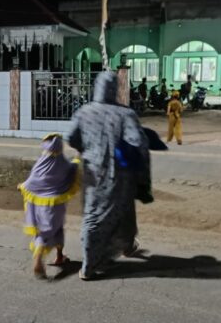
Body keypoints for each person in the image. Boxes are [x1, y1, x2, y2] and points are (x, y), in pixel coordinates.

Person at [67, 72, 151, 281]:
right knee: (114, 211)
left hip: (93, 174)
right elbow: (139, 143)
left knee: (99, 213)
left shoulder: (84, 112)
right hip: (120, 175)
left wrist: (87, 149)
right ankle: (91, 265)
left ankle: (125, 246)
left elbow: (71, 137)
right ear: (115, 89)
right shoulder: (126, 114)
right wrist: (142, 177)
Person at [18, 133, 80, 279]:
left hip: (38, 207)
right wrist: (78, 158)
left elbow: (31, 182)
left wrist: (21, 186)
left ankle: (40, 254)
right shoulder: (64, 164)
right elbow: (73, 170)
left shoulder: (41, 164)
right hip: (56, 206)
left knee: (42, 233)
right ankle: (58, 256)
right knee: (58, 229)